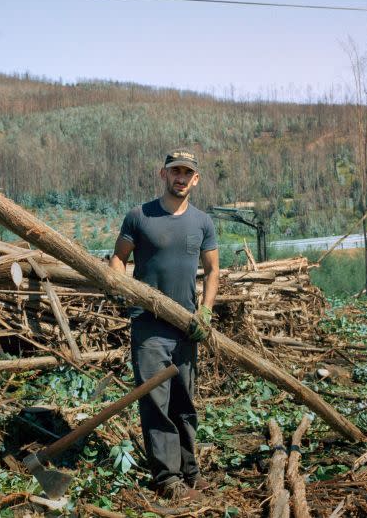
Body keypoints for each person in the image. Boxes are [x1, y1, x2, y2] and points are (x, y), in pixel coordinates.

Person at [108, 148, 219, 502]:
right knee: (156, 403)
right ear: (163, 175)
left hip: (186, 325)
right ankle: (167, 478)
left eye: (187, 173)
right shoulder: (139, 217)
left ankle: (190, 472)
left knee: (184, 403)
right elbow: (117, 259)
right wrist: (122, 287)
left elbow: (214, 271)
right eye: (175, 171)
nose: (181, 178)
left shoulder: (202, 222)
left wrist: (205, 311)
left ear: (196, 179)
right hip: (148, 326)